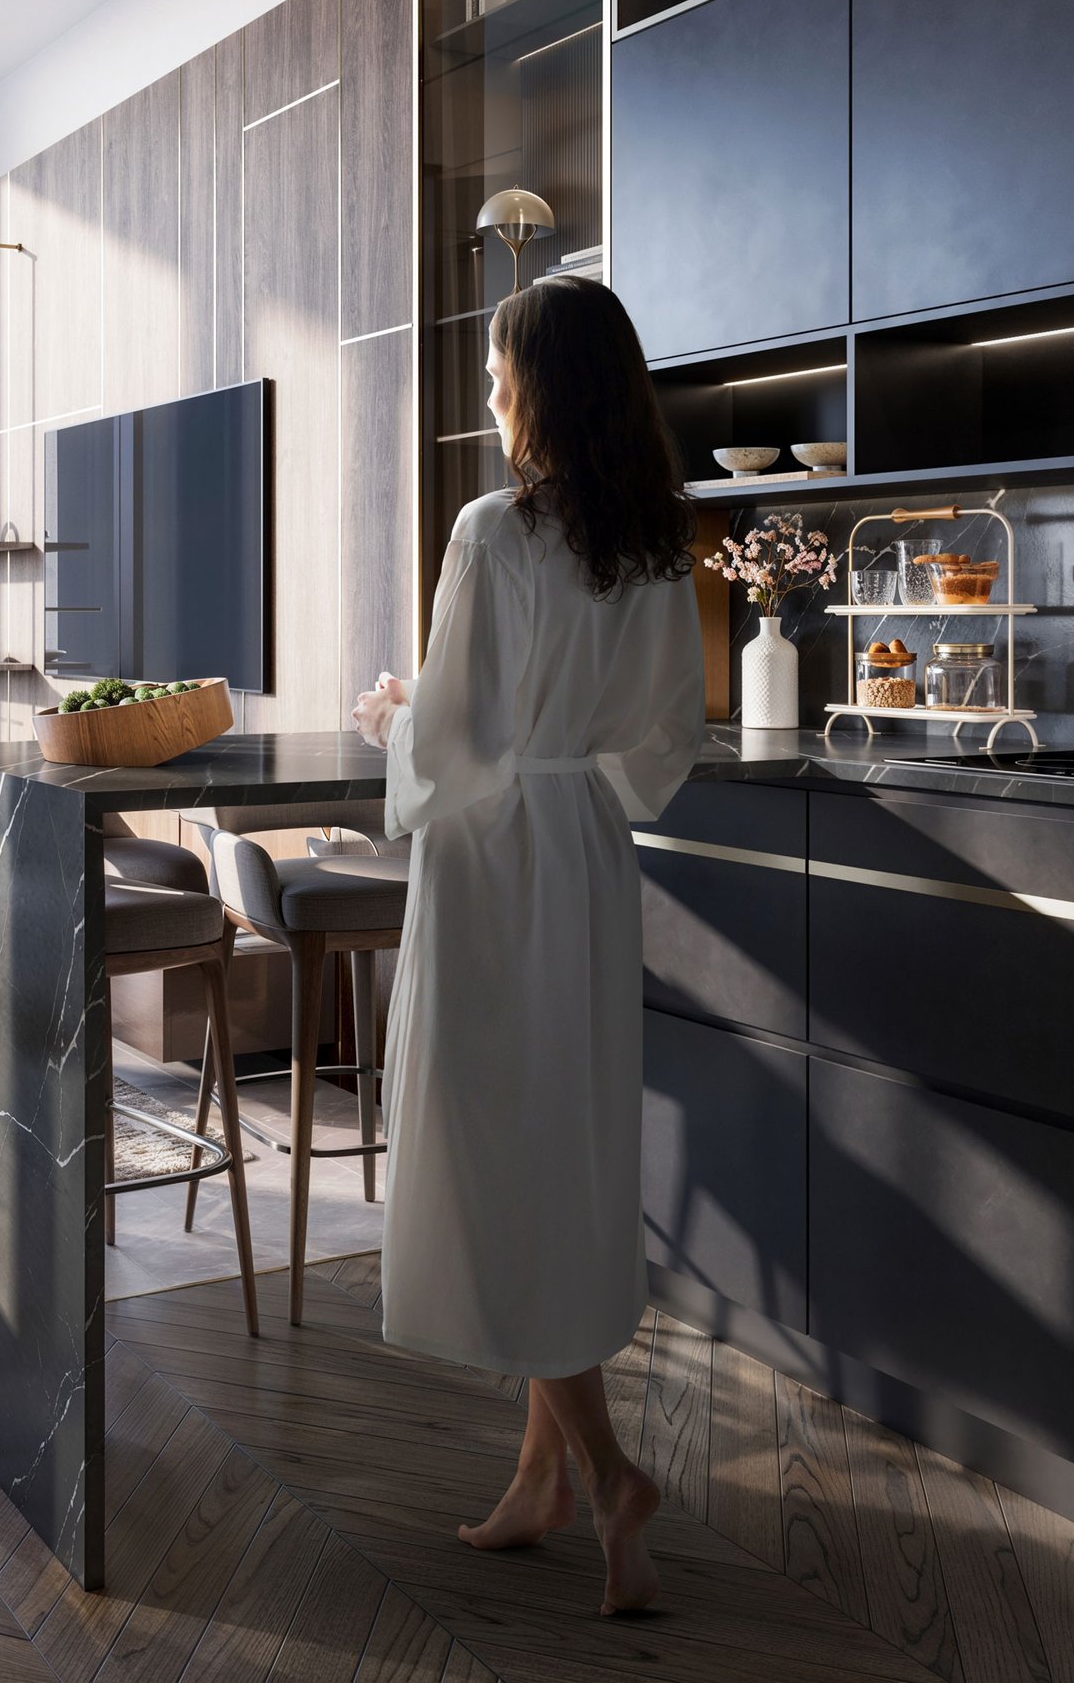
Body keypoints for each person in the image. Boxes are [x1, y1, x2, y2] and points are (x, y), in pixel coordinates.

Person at [351, 273, 704, 1616]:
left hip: (494, 871)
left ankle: (612, 1475)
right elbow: (663, 740)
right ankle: (542, 1483)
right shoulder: (657, 541)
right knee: (561, 1152)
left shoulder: (492, 532)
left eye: (503, 373)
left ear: (544, 388)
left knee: (497, 1166)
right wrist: (576, 784)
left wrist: (389, 713)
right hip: (586, 864)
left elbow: (451, 746)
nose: (492, 395)